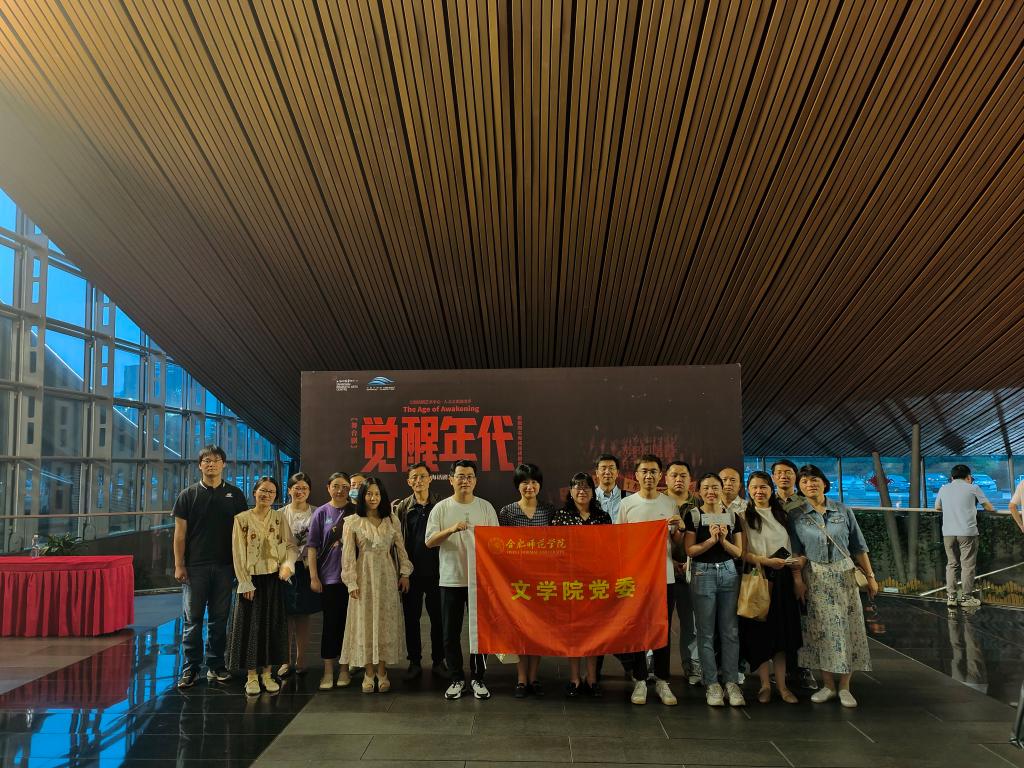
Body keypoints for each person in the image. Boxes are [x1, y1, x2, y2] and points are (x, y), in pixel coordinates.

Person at [788, 464, 878, 708]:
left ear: (824, 483)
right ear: (799, 487)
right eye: (804, 481)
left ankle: (845, 686)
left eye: (814, 480)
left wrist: (870, 576)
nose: (810, 484)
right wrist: (798, 581)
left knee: (849, 629)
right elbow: (796, 552)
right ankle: (828, 684)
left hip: (844, 576)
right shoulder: (796, 515)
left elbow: (859, 546)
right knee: (820, 630)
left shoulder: (842, 510)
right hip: (815, 576)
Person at [173, 444, 248, 689]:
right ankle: (191, 668)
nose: (211, 464)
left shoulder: (235, 495)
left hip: (226, 566)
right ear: (200, 465)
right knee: (192, 620)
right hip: (195, 567)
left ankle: (216, 665)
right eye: (206, 460)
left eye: (216, 460)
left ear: (223, 464)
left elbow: (243, 533)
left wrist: (242, 566)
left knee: (219, 619)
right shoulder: (188, 495)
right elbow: (179, 535)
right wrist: (179, 565)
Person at [426, 459, 499, 700]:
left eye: (469, 476)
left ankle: (478, 678)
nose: (465, 480)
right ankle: (456, 678)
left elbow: (497, 543)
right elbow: (429, 541)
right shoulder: (441, 508)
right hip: (451, 579)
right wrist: (451, 530)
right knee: (450, 633)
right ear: (451, 479)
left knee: (480, 633)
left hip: (480, 581)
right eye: (460, 476)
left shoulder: (486, 507)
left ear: (475, 481)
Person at [616, 454, 683, 706]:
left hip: (664, 576)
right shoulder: (627, 504)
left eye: (653, 471)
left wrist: (679, 529)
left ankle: (663, 680)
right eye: (644, 471)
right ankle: (640, 679)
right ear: (636, 475)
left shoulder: (669, 504)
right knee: (637, 628)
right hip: (636, 578)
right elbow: (620, 542)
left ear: (660, 475)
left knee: (662, 628)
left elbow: (676, 542)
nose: (649, 476)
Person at [340, 477, 413, 693]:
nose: (373, 498)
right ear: (362, 496)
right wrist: (351, 581)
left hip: (386, 576)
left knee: (384, 622)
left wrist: (405, 573)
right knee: (365, 622)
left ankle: (382, 671)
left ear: (382, 496)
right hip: (363, 576)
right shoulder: (352, 521)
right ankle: (368, 672)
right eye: (369, 494)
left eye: (377, 494)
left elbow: (401, 549)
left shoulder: (391, 519)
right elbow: (348, 556)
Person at [227, 477, 299, 695]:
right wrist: (245, 581)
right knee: (251, 627)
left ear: (276, 496)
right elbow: (238, 552)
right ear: (254, 492)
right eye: (263, 491)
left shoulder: (279, 518)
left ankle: (267, 674)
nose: (266, 495)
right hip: (251, 581)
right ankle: (251, 676)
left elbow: (290, 546)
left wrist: (287, 565)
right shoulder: (242, 519)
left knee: (271, 626)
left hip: (274, 579)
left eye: (271, 492)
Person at [738, 471, 803, 704]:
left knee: (782, 634)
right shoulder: (743, 516)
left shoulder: (783, 515)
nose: (759, 491)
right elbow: (742, 553)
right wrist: (766, 561)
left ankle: (783, 686)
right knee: (761, 634)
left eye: (763, 487)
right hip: (758, 577)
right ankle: (764, 685)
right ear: (748, 490)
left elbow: (794, 548)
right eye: (754, 487)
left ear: (771, 489)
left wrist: (797, 579)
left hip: (783, 578)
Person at [685, 472, 745, 707]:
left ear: (722, 490)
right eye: (706, 488)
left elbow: (738, 552)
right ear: (699, 492)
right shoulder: (693, 515)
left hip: (729, 572)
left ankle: (731, 682)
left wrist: (723, 541)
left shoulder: (732, 516)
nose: (711, 492)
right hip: (702, 573)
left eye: (715, 487)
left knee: (730, 631)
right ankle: (711, 683)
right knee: (706, 631)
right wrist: (711, 541)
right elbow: (690, 550)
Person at [551, 472, 612, 697]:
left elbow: (609, 549)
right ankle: (575, 678)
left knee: (594, 631)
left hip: (596, 582)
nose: (582, 491)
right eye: (577, 487)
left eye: (586, 487)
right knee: (573, 631)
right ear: (570, 491)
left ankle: (592, 678)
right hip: (570, 581)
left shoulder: (602, 516)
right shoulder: (561, 516)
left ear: (593, 492)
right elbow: (554, 549)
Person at [498, 463, 554, 698]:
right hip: (516, 581)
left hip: (542, 580)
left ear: (539, 485)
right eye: (524, 482)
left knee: (539, 629)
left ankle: (534, 677)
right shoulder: (507, 512)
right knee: (520, 629)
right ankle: (521, 679)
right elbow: (500, 546)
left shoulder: (549, 511)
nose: (529, 486)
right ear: (517, 486)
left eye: (534, 482)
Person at [395, 463, 445, 681]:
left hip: (438, 573)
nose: (419, 481)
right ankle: (414, 662)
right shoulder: (402, 508)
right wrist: (403, 573)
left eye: (423, 476)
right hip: (411, 574)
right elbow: (397, 543)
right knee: (411, 619)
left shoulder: (441, 505)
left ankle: (439, 661)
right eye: (414, 477)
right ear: (409, 482)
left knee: (438, 620)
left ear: (430, 479)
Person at [771, 458, 817, 691]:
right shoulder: (768, 501)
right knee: (782, 619)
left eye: (788, 472)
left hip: (803, 565)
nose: (784, 476)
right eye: (779, 473)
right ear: (773, 477)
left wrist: (802, 561)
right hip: (776, 567)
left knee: (804, 618)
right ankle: (784, 668)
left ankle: (803, 667)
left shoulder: (805, 502)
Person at [307, 472, 355, 690]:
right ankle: (327, 671)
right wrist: (314, 577)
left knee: (348, 626)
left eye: (345, 487)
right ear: (328, 487)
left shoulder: (356, 511)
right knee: (330, 625)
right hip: (329, 579)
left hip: (352, 580)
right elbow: (312, 547)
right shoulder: (321, 512)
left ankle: (344, 669)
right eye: (336, 486)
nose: (340, 490)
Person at [663, 460, 701, 686]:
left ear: (690, 480)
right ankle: (654, 665)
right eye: (674, 475)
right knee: (659, 622)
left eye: (683, 475)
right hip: (662, 571)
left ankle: (692, 664)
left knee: (691, 623)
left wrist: (690, 561)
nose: (678, 479)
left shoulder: (700, 504)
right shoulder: (659, 502)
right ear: (665, 478)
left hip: (692, 571)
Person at [935, 465, 995, 608]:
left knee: (952, 564)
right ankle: (966, 598)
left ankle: (951, 598)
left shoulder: (944, 488)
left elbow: (937, 507)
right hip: (967, 532)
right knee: (967, 565)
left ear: (952, 477)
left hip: (948, 532)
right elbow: (989, 507)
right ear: (968, 477)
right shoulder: (973, 488)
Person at [278, 472, 320, 677]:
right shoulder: (280, 514)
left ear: (309, 491)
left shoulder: (317, 513)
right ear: (289, 490)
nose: (300, 491)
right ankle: (285, 660)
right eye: (296, 488)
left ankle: (301, 658)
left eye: (304, 488)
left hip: (306, 568)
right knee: (285, 616)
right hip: (284, 569)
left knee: (303, 615)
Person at [594, 453, 630, 523]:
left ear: (617, 472)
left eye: (611, 468)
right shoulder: (589, 498)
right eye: (603, 468)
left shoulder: (628, 497)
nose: (607, 472)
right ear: (597, 473)